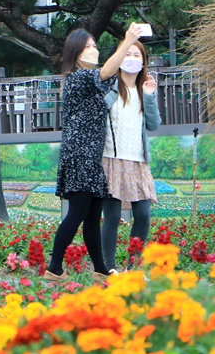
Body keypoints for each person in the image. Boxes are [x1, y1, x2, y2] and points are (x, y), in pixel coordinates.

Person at [45, 23, 146, 282]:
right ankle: (54, 268)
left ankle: (100, 268)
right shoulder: (78, 77)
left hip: (91, 157)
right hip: (80, 155)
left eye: (95, 46)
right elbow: (107, 71)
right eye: (88, 47)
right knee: (77, 214)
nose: (94, 50)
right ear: (76, 53)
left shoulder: (94, 81)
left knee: (92, 216)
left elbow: (116, 76)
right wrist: (128, 40)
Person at [100, 41, 162, 270]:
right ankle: (108, 268)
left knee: (143, 215)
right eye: (128, 54)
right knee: (113, 216)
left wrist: (149, 95)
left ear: (143, 61)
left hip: (138, 162)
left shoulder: (144, 90)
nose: (133, 58)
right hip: (110, 161)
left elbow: (154, 125)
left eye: (137, 55)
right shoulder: (108, 88)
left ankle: (133, 267)